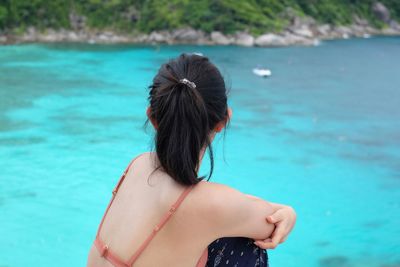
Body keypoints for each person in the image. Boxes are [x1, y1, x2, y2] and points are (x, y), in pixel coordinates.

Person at [87, 53, 296, 267]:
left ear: (152, 117)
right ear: (222, 122)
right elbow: (270, 221)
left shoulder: (137, 165)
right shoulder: (212, 205)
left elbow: (226, 206)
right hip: (220, 211)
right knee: (245, 244)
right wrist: (289, 212)